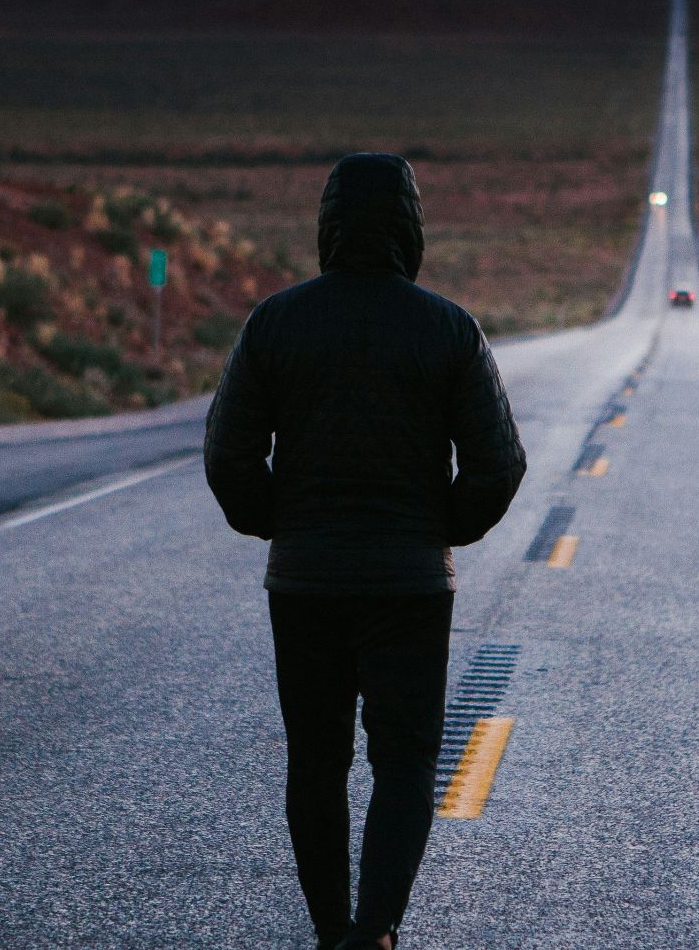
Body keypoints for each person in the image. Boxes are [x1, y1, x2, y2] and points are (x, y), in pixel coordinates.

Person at [203, 153, 527, 949]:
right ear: (412, 225)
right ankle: (375, 929)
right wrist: (442, 527)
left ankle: (328, 930)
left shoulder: (276, 322)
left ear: (327, 223)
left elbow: (227, 454)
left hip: (306, 578)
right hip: (410, 583)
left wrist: (276, 521)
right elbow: (499, 462)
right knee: (405, 759)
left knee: (316, 759)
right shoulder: (448, 327)